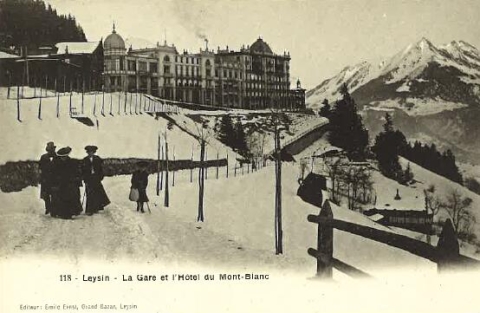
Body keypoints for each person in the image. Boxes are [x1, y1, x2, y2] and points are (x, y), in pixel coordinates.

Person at [51, 147, 83, 219]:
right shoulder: (56, 163)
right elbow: (53, 174)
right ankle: (62, 213)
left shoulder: (72, 162)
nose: (63, 158)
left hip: (69, 183)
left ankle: (71, 212)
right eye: (62, 157)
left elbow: (76, 172)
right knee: (61, 198)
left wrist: (77, 179)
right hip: (60, 184)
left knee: (71, 197)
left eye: (65, 156)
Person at [81, 145, 110, 216]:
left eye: (92, 152)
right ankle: (89, 210)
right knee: (89, 193)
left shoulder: (98, 159)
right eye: (89, 152)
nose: (90, 153)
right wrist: (85, 179)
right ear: (87, 152)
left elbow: (101, 169)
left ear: (94, 152)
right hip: (88, 178)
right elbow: (83, 171)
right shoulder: (84, 160)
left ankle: (96, 207)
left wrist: (100, 177)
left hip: (96, 178)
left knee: (97, 192)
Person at [39, 142, 56, 215]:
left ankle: (54, 209)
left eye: (52, 149)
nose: (51, 151)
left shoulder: (57, 157)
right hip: (46, 179)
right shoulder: (43, 157)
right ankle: (48, 208)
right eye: (49, 150)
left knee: (54, 194)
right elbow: (40, 168)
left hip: (54, 179)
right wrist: (42, 178)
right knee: (46, 195)